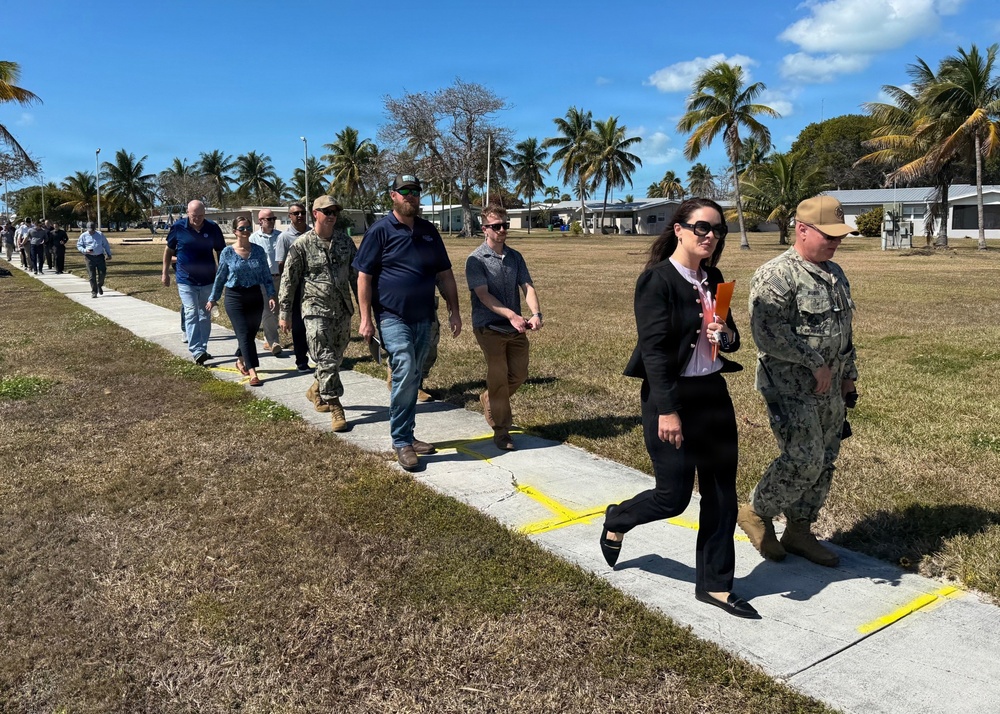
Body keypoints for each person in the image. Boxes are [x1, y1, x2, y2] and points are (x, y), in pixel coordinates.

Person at [601, 198, 758, 620]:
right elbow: (653, 352)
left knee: (722, 494)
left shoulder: (715, 278)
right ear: (680, 229)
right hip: (669, 398)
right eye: (702, 228)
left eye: (718, 230)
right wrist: (668, 411)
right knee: (673, 497)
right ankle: (619, 518)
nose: (711, 236)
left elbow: (731, 341)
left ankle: (716, 586)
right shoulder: (657, 281)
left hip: (712, 394)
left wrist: (724, 334)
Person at [738, 195, 858, 568]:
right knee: (804, 458)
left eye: (839, 236)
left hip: (830, 386)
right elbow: (767, 333)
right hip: (789, 386)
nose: (835, 242)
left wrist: (848, 376)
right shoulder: (776, 274)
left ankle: (799, 530)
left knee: (826, 460)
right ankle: (757, 511)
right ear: (802, 230)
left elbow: (844, 331)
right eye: (828, 235)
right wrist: (814, 362)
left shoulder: (834, 273)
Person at [353, 174, 462, 471]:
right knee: (403, 366)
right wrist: (365, 319)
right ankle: (401, 441)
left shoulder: (429, 231)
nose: (411, 196)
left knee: (414, 375)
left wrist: (454, 310)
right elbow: (364, 276)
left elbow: (445, 274)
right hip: (392, 315)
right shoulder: (379, 231)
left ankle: (409, 435)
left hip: (425, 315)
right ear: (393, 195)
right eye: (405, 192)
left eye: (415, 191)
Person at [465, 206, 543, 451]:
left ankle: (490, 398)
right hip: (488, 327)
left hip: (515, 327)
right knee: (498, 376)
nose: (502, 230)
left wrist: (536, 314)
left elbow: (527, 287)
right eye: (496, 226)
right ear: (484, 229)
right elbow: (483, 295)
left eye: (505, 225)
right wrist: (511, 315)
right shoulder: (475, 260)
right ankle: (502, 431)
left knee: (519, 375)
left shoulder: (515, 257)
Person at [278, 196, 358, 432]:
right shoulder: (302, 244)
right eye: (327, 211)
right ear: (315, 213)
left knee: (336, 357)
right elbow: (289, 281)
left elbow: (356, 276)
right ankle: (335, 407)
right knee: (326, 358)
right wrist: (284, 313)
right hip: (314, 309)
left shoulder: (345, 242)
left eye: (335, 211)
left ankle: (315, 390)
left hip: (342, 309)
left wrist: (366, 308)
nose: (332, 215)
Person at [207, 216, 276, 387]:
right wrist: (213, 298)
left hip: (255, 296)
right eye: (241, 228)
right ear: (235, 232)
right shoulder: (227, 253)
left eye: (247, 228)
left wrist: (272, 294)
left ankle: (240, 359)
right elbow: (221, 277)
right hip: (234, 297)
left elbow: (266, 275)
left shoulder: (259, 251)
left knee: (249, 334)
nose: (245, 231)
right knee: (244, 333)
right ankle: (253, 371)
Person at [162, 200, 226, 365]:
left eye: (201, 216)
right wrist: (165, 273)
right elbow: (168, 250)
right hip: (185, 280)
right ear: (187, 213)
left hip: (208, 280)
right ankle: (196, 350)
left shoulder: (212, 228)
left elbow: (220, 251)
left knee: (205, 315)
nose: (198, 219)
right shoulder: (178, 227)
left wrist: (221, 273)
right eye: (194, 215)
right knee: (191, 313)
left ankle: (202, 349)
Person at [276, 202, 311, 372]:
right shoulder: (284, 237)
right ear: (289, 216)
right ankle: (301, 360)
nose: (300, 216)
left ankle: (316, 354)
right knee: (298, 326)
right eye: (295, 213)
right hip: (295, 288)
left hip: (313, 287)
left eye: (302, 212)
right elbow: (281, 265)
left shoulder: (313, 233)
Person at [249, 208, 282, 356]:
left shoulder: (281, 236)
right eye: (268, 219)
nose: (272, 222)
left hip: (280, 277)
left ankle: (268, 339)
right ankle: (274, 341)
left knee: (277, 310)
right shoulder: (253, 238)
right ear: (260, 221)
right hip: (263, 280)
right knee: (268, 311)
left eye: (273, 218)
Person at [76, 221, 113, 297]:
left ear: (94, 229)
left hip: (100, 256)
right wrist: (85, 250)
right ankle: (94, 291)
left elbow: (105, 244)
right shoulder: (83, 235)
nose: (91, 232)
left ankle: (99, 285)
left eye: (92, 230)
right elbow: (79, 245)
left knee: (102, 273)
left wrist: (108, 254)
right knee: (91, 276)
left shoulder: (100, 234)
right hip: (89, 258)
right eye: (89, 230)